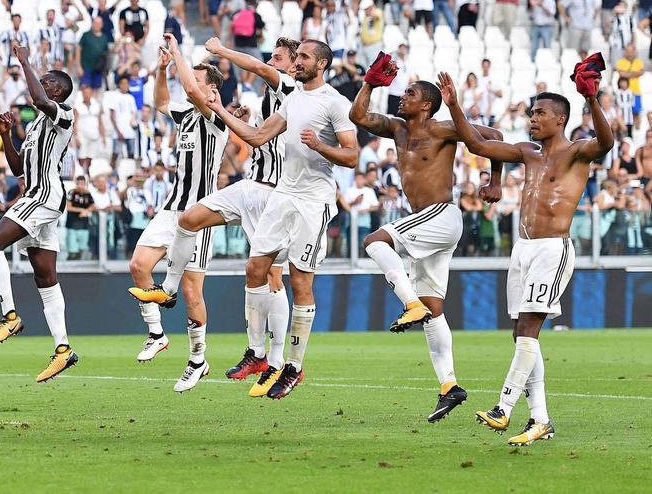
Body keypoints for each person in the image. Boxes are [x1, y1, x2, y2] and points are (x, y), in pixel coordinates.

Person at [141, 40, 358, 400]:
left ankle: (288, 364)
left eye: (299, 57)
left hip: (308, 201)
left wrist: (221, 51)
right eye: (294, 56)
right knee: (253, 267)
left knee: (294, 282)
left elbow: (351, 155)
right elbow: (258, 137)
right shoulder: (291, 100)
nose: (289, 63)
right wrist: (224, 114)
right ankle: (257, 353)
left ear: (319, 64)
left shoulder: (328, 100)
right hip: (271, 192)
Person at [440, 58, 614, 446]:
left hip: (553, 250)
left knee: (528, 330)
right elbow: (477, 144)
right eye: (532, 112)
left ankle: (504, 407)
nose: (532, 118)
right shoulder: (528, 152)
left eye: (540, 113)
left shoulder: (577, 153)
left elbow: (607, 142)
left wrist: (593, 100)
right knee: (522, 334)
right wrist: (453, 105)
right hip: (523, 249)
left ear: (560, 119)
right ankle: (541, 420)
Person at [350, 53, 506, 422]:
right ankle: (449, 386)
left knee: (375, 241)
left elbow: (495, 137)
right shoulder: (398, 129)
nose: (402, 97)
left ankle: (409, 304)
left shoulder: (442, 128)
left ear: (427, 103)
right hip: (427, 222)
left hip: (440, 214)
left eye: (409, 93)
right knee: (434, 310)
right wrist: (370, 82)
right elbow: (359, 117)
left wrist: (495, 179)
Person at [124, 35, 226, 391]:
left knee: (191, 292)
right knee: (138, 266)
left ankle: (198, 359)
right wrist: (161, 68)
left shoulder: (217, 117)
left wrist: (179, 53)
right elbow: (161, 100)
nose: (191, 87)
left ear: (211, 89)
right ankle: (157, 334)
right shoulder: (185, 114)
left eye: (197, 81)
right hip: (171, 209)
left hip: (201, 214)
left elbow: (192, 92)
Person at [0, 41, 78, 382]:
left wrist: (25, 62)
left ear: (57, 91)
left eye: (45, 80)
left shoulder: (64, 115)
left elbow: (38, 98)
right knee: (44, 276)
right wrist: (5, 135)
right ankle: (63, 349)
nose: (37, 83)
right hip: (36, 193)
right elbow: (19, 167)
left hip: (44, 196)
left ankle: (10, 316)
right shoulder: (36, 126)